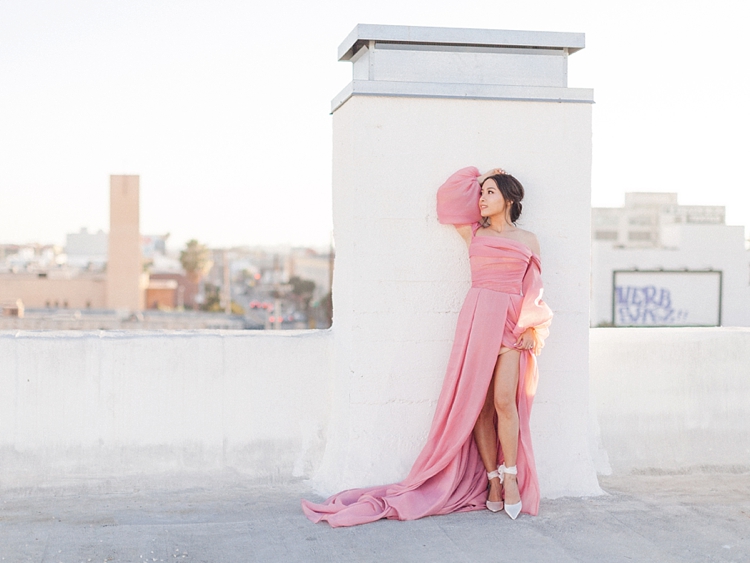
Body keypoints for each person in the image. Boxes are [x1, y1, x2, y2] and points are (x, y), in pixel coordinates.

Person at [301, 166, 553, 527]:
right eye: (481, 192)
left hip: (512, 322)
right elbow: (448, 197)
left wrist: (533, 327)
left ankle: (510, 474)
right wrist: (480, 175)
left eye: (490, 192)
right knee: (477, 407)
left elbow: (535, 287)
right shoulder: (473, 232)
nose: (482, 198)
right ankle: (492, 480)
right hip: (477, 319)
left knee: (504, 402)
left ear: (510, 199)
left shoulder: (529, 240)